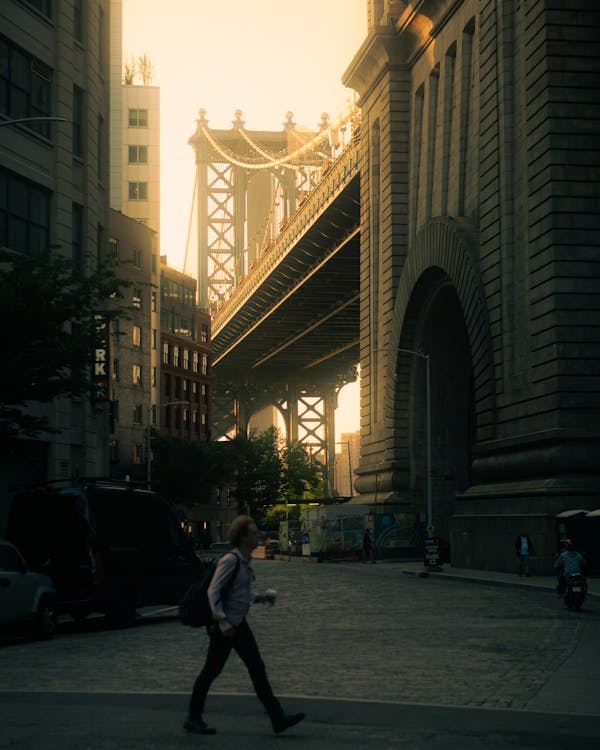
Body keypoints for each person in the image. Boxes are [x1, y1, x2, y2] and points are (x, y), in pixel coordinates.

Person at [184, 515, 306, 736]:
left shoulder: (244, 561)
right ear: (241, 537)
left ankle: (278, 718)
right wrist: (221, 621)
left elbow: (241, 595)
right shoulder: (230, 560)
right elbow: (213, 590)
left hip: (239, 625)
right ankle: (193, 717)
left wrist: (261, 598)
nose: (257, 536)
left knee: (257, 670)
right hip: (226, 627)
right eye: (253, 533)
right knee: (211, 671)